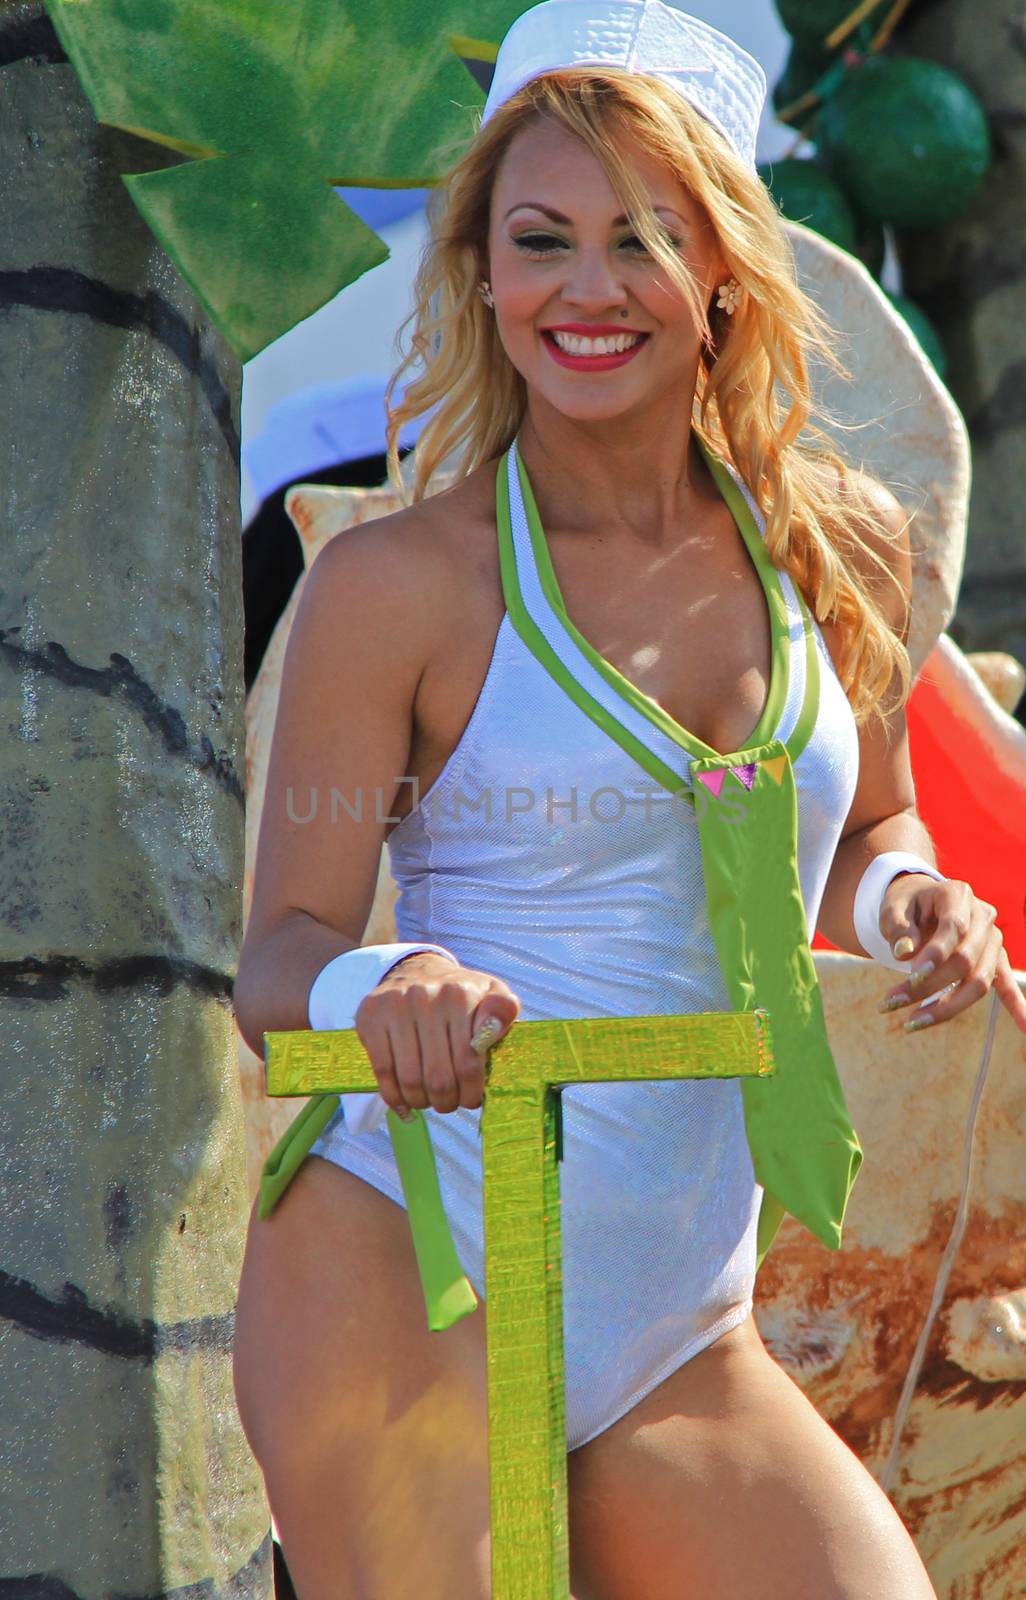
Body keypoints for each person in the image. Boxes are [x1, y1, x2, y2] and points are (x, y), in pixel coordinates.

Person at [231, 4, 1025, 1595]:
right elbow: (278, 955)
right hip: (411, 1257)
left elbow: (866, 827)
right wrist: (396, 978)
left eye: (640, 239)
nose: (586, 290)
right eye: (540, 240)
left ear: (725, 265)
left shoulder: (841, 549)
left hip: (679, 1313)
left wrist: (906, 899)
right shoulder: (398, 583)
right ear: (481, 271)